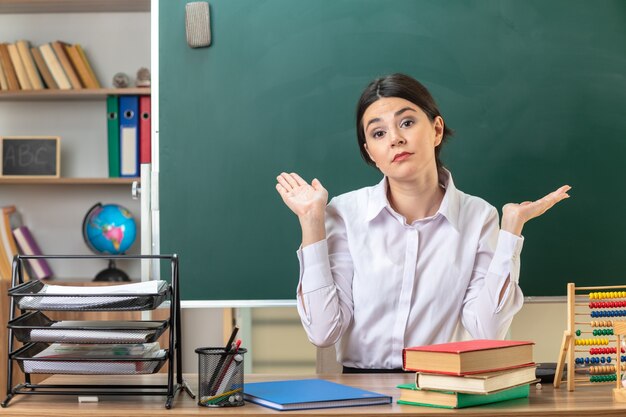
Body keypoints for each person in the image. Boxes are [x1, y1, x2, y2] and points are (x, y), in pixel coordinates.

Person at [275, 73, 571, 372]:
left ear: (436, 130)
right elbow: (323, 332)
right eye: (378, 133)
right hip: (361, 392)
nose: (395, 139)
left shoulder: (479, 216)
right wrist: (312, 221)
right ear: (370, 153)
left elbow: (487, 329)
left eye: (406, 123)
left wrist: (511, 231)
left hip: (442, 387)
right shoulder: (344, 213)